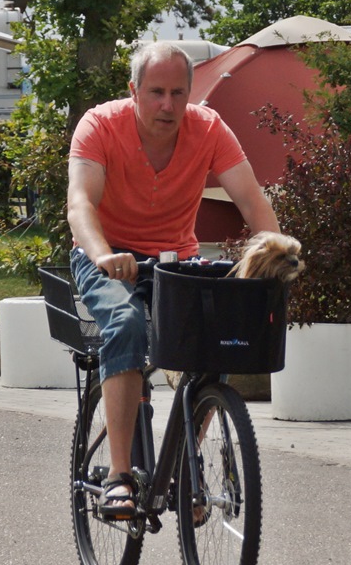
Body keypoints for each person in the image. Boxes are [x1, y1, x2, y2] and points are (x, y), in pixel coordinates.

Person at [67, 42, 280, 518]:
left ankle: (186, 462)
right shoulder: (100, 125)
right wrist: (103, 255)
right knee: (125, 325)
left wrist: (277, 254)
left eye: (178, 93)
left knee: (219, 333)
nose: (168, 105)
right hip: (105, 255)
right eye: (156, 92)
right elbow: (80, 203)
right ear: (134, 91)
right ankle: (120, 476)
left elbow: (251, 199)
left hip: (173, 258)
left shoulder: (208, 128)